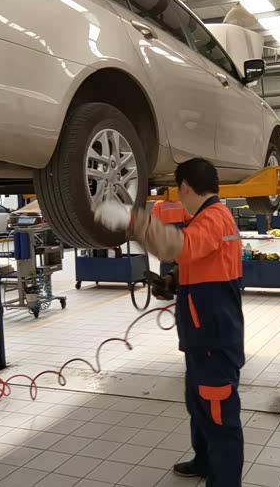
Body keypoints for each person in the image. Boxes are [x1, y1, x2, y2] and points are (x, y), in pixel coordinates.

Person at [96, 158, 244, 487]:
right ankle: (205, 461)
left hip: (214, 340)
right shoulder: (210, 218)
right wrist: (173, 281)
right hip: (202, 337)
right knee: (199, 404)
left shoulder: (214, 218)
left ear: (185, 187)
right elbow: (204, 261)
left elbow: (177, 247)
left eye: (178, 189)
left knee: (219, 414)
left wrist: (133, 219)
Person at [150, 199, 192, 276]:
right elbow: (188, 219)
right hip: (179, 238)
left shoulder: (158, 204)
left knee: (166, 263)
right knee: (180, 264)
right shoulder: (180, 203)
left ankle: (165, 280)